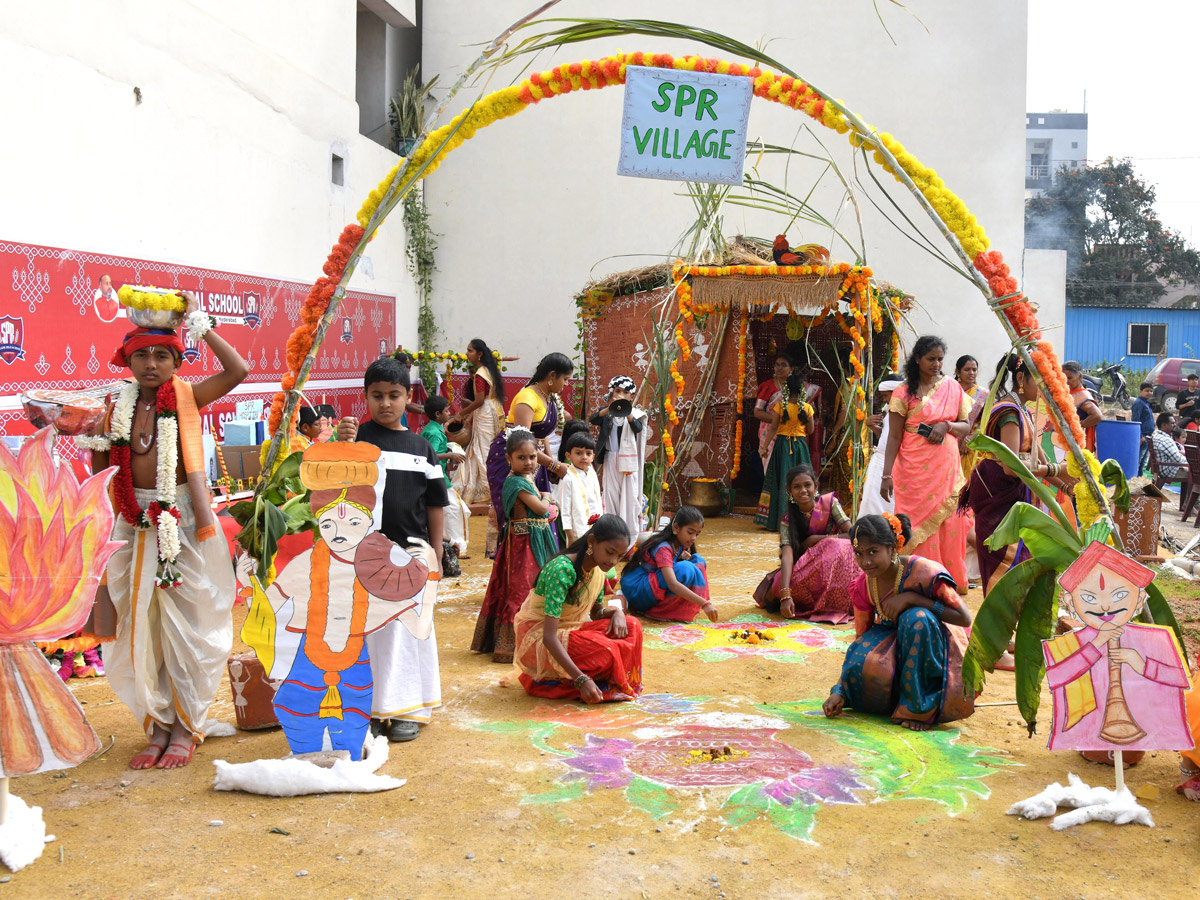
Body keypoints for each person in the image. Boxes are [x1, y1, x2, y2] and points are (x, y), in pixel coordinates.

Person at [86, 291, 249, 768]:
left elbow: (238, 370)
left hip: (182, 520)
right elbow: (101, 469)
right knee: (139, 627)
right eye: (142, 355)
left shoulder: (187, 397)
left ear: (177, 362)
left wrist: (199, 323)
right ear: (127, 360)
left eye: (162, 355)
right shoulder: (113, 405)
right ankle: (157, 725)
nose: (151, 364)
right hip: (129, 522)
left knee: (189, 627)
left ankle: (184, 725)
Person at [234, 443, 439, 760]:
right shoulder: (305, 565)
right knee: (301, 733)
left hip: (355, 673)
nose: (339, 532)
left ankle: (366, 729)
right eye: (329, 524)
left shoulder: (379, 569)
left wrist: (431, 578)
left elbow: (418, 626)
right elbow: (268, 607)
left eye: (353, 523)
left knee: (350, 743)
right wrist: (249, 581)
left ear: (368, 523)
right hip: (305, 670)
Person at [335, 357, 448, 742]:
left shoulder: (422, 449)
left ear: (407, 397)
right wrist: (341, 446)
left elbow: (435, 504)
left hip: (410, 557)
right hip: (361, 556)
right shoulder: (355, 440)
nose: (385, 403)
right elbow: (333, 491)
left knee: (407, 632)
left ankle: (406, 710)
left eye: (394, 395)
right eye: (377, 395)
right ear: (365, 396)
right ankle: (366, 710)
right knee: (365, 635)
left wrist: (436, 552)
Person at [822, 513, 974, 731]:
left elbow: (964, 617)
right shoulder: (864, 585)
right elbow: (860, 640)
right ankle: (897, 700)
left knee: (917, 619)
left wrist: (913, 599)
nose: (866, 561)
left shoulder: (924, 572)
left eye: (873, 552)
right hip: (895, 643)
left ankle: (919, 708)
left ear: (892, 548)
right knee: (865, 656)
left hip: (936, 643)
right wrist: (839, 690)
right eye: (859, 553)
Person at [512, 514, 643, 703]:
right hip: (542, 639)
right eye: (610, 552)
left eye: (619, 556)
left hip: (572, 631)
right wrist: (581, 679)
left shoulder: (597, 570)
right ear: (591, 541)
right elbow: (548, 637)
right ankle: (567, 681)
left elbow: (596, 613)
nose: (614, 561)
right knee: (608, 651)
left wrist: (616, 612)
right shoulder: (562, 570)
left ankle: (606, 679)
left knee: (633, 626)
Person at [880, 335, 972, 591]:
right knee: (912, 522)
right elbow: (894, 436)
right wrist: (886, 475)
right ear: (918, 359)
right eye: (931, 359)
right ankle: (917, 580)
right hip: (913, 470)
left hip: (946, 468)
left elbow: (966, 426)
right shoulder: (903, 392)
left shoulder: (952, 387)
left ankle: (949, 581)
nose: (936, 364)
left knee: (950, 522)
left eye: (940, 359)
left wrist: (947, 425)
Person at [472, 430, 558, 663]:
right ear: (509, 458)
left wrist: (545, 503)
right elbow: (540, 509)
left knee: (531, 587)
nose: (528, 462)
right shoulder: (516, 482)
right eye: (522, 457)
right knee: (521, 589)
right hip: (523, 545)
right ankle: (510, 645)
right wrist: (548, 499)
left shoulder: (526, 479)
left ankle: (533, 640)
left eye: (532, 457)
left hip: (531, 540)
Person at [486, 353, 574, 548]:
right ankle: (514, 555)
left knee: (539, 514)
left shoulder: (549, 397)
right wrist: (553, 465)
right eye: (565, 379)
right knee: (519, 511)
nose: (567, 384)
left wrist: (551, 464)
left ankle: (537, 556)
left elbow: (542, 435)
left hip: (536, 457)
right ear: (552, 376)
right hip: (513, 457)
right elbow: (522, 442)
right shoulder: (527, 398)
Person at [753, 465, 857, 623]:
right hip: (808, 568)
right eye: (797, 487)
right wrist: (785, 594)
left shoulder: (830, 503)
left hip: (837, 564)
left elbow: (852, 534)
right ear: (789, 491)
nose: (803, 490)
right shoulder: (787, 520)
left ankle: (837, 602)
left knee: (836, 545)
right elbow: (787, 556)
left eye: (807, 485)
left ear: (816, 486)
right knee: (780, 583)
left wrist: (818, 539)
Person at [620, 506, 717, 623]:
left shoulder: (680, 544)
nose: (693, 538)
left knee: (698, 561)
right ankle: (659, 611)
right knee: (686, 569)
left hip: (649, 584)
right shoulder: (663, 548)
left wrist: (681, 558)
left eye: (697, 534)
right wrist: (704, 603)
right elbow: (672, 584)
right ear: (676, 528)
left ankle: (679, 607)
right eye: (690, 532)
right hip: (637, 590)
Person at [754, 371, 815, 532]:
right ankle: (802, 520)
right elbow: (810, 430)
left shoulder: (780, 406)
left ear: (786, 389)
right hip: (800, 446)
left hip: (782, 446)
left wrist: (765, 447)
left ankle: (778, 521)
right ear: (802, 390)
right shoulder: (807, 408)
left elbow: (773, 428)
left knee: (781, 481)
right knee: (803, 479)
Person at [591, 375, 649, 539]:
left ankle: (628, 533)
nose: (621, 395)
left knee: (628, 495)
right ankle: (611, 531)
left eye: (625, 392)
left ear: (631, 396)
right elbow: (593, 419)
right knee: (610, 494)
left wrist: (626, 412)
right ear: (612, 393)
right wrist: (610, 408)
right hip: (610, 458)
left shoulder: (635, 414)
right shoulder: (607, 414)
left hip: (628, 461)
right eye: (617, 391)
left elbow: (637, 428)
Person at [452, 338, 507, 506]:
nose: (467, 353)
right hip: (494, 410)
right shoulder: (490, 370)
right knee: (490, 447)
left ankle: (486, 490)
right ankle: (490, 488)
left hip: (485, 412)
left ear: (479, 354)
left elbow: (479, 401)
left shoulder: (480, 374)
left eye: (470, 351)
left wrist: (461, 414)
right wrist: (469, 417)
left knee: (482, 450)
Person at [421, 395, 470, 572]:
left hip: (437, 475)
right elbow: (430, 455)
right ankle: (456, 546)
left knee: (451, 510)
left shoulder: (432, 429)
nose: (449, 414)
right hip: (438, 478)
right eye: (447, 411)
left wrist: (447, 464)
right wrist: (450, 455)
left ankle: (450, 544)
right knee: (456, 510)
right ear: (437, 414)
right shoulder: (435, 433)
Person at [860, 374, 903, 517]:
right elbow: (887, 437)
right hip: (880, 461)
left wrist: (886, 474)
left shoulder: (903, 411)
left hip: (891, 463)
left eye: (886, 396)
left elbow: (895, 439)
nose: (884, 400)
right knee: (870, 502)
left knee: (888, 504)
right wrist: (870, 425)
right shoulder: (890, 410)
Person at [556, 430, 604, 546]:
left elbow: (597, 500)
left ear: (593, 456)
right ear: (568, 455)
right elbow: (565, 511)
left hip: (596, 528)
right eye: (578, 453)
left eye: (588, 453)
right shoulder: (568, 479)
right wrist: (570, 536)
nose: (584, 457)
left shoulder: (592, 473)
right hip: (577, 532)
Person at [753, 353, 793, 465]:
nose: (779, 368)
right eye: (777, 365)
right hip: (769, 433)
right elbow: (757, 411)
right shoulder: (767, 386)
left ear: (792, 369)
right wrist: (779, 420)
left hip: (790, 432)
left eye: (783, 365)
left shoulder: (797, 387)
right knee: (770, 466)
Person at [1061, 361, 1102, 452]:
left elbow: (1097, 416)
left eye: (1070, 378)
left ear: (1080, 377)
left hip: (1077, 444)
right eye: (1064, 378)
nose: (1066, 381)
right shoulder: (1070, 393)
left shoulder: (1082, 395)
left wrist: (1077, 425)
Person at [1150, 412, 1188, 481]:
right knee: (1196, 473)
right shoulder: (1165, 440)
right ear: (1164, 425)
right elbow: (1178, 459)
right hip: (1169, 470)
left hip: (1162, 467)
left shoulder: (1155, 434)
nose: (1175, 425)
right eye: (1172, 423)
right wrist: (1193, 464)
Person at [1131, 381, 1155, 476]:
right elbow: (1135, 420)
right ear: (1141, 391)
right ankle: (1134, 479)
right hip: (1143, 436)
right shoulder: (1139, 403)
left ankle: (1140, 480)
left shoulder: (1146, 403)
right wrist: (1140, 436)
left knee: (1142, 462)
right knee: (1138, 461)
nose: (1149, 393)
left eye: (1151, 391)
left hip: (1148, 436)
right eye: (1146, 391)